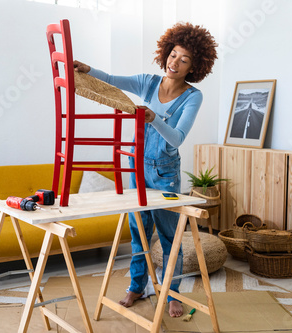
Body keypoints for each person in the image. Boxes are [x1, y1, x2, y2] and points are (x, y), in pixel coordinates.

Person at [74, 22, 217, 318]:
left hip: (164, 173)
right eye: (173, 54)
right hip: (135, 166)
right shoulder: (148, 82)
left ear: (194, 67)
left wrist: (153, 118)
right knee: (138, 232)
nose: (174, 63)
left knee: (168, 236)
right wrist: (88, 70)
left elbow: (177, 138)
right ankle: (136, 287)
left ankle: (172, 293)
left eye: (184, 59)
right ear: (166, 52)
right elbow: (113, 80)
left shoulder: (193, 97)